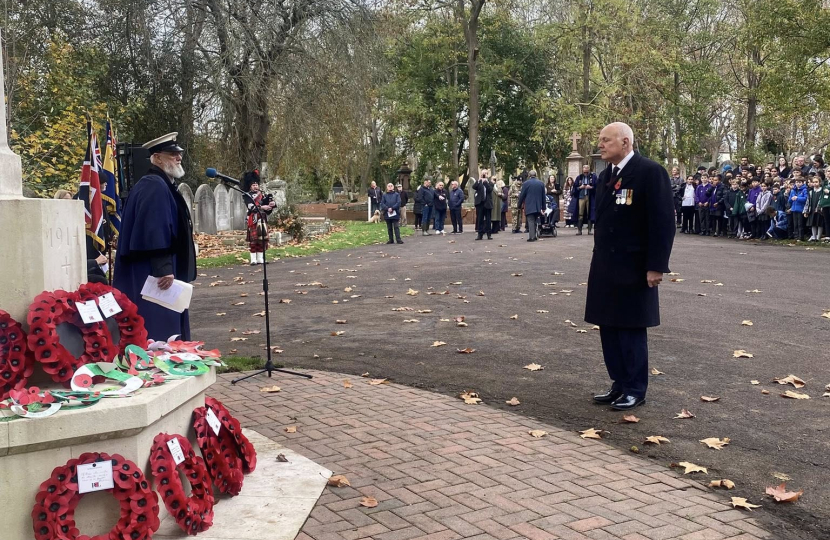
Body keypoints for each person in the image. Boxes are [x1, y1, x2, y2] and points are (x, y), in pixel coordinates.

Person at [585, 122, 675, 411]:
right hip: (606, 265)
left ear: (625, 143)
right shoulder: (605, 177)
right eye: (600, 140)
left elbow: (662, 223)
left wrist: (656, 266)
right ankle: (619, 384)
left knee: (631, 328)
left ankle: (636, 388)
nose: (601, 145)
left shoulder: (650, 172)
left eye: (606, 140)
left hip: (635, 265)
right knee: (608, 326)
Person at [113, 133, 196, 341]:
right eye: (172, 154)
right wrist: (164, 269)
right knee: (160, 325)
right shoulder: (154, 186)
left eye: (179, 154)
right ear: (157, 158)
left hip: (155, 269)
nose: (178, 158)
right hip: (152, 273)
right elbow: (155, 230)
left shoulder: (160, 183)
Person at [517, 169, 546, 242]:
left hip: (529, 205)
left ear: (529, 176)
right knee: (535, 220)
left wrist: (519, 205)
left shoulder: (526, 183)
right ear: (535, 175)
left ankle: (532, 237)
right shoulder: (541, 183)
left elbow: (522, 195)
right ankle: (535, 236)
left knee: (530, 221)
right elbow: (543, 197)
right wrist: (543, 207)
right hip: (538, 206)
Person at [573, 164, 597, 235]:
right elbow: (575, 188)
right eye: (584, 168)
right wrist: (580, 187)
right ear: (582, 169)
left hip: (590, 197)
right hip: (581, 197)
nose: (586, 169)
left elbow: (597, 186)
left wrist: (591, 187)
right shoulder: (579, 177)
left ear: (589, 169)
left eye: (587, 168)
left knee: (589, 212)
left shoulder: (593, 177)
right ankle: (579, 230)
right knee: (580, 213)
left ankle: (589, 230)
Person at [473, 175, 493, 240]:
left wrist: (485, 182)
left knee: (488, 220)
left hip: (487, 203)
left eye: (485, 174)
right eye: (482, 175)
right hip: (480, 203)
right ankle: (480, 234)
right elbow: (474, 187)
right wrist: (478, 180)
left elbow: (490, 190)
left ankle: (489, 234)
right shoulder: (479, 183)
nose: (484, 176)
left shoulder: (490, 183)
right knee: (480, 219)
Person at [805, 176, 824, 241]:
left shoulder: (822, 191)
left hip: (819, 210)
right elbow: (808, 202)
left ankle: (818, 237)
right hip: (812, 209)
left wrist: (818, 207)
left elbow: (821, 200)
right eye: (813, 182)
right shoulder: (811, 192)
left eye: (816, 182)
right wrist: (806, 211)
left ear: (819, 182)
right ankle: (814, 236)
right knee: (813, 223)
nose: (815, 184)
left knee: (819, 223)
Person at [789, 176, 808, 240]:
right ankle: (796, 236)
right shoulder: (793, 191)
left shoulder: (804, 190)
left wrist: (797, 198)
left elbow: (805, 199)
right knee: (795, 224)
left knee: (800, 224)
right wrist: (792, 199)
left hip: (800, 209)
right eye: (796, 182)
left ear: (803, 183)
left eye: (799, 182)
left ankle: (801, 237)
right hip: (794, 209)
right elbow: (789, 200)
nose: (798, 184)